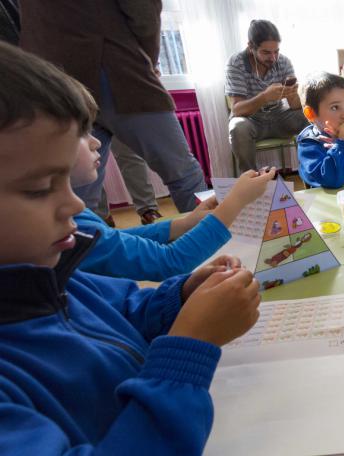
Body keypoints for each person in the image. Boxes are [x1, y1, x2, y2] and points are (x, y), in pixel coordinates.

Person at [0, 41, 261, 454]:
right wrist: (189, 347)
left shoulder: (51, 273)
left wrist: (181, 296)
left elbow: (124, 310)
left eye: (67, 181)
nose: (76, 204)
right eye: (37, 189)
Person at [19, 0, 208, 214]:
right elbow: (144, 11)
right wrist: (147, 61)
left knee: (80, 191)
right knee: (183, 173)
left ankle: (86, 245)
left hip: (53, 79)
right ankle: (212, 241)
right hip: (116, 69)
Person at [71, 106, 276, 281]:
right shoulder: (72, 228)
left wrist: (186, 223)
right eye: (82, 132)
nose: (96, 141)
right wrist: (236, 200)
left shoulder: (79, 217)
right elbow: (170, 261)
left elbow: (114, 238)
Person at [226, 19, 308, 173]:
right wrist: (264, 97)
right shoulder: (236, 63)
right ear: (251, 46)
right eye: (266, 52)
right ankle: (251, 181)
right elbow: (237, 109)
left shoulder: (283, 61)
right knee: (238, 127)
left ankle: (313, 171)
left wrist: (294, 94)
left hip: (279, 116)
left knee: (310, 116)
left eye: (276, 51)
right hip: (251, 120)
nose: (273, 58)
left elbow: (296, 106)